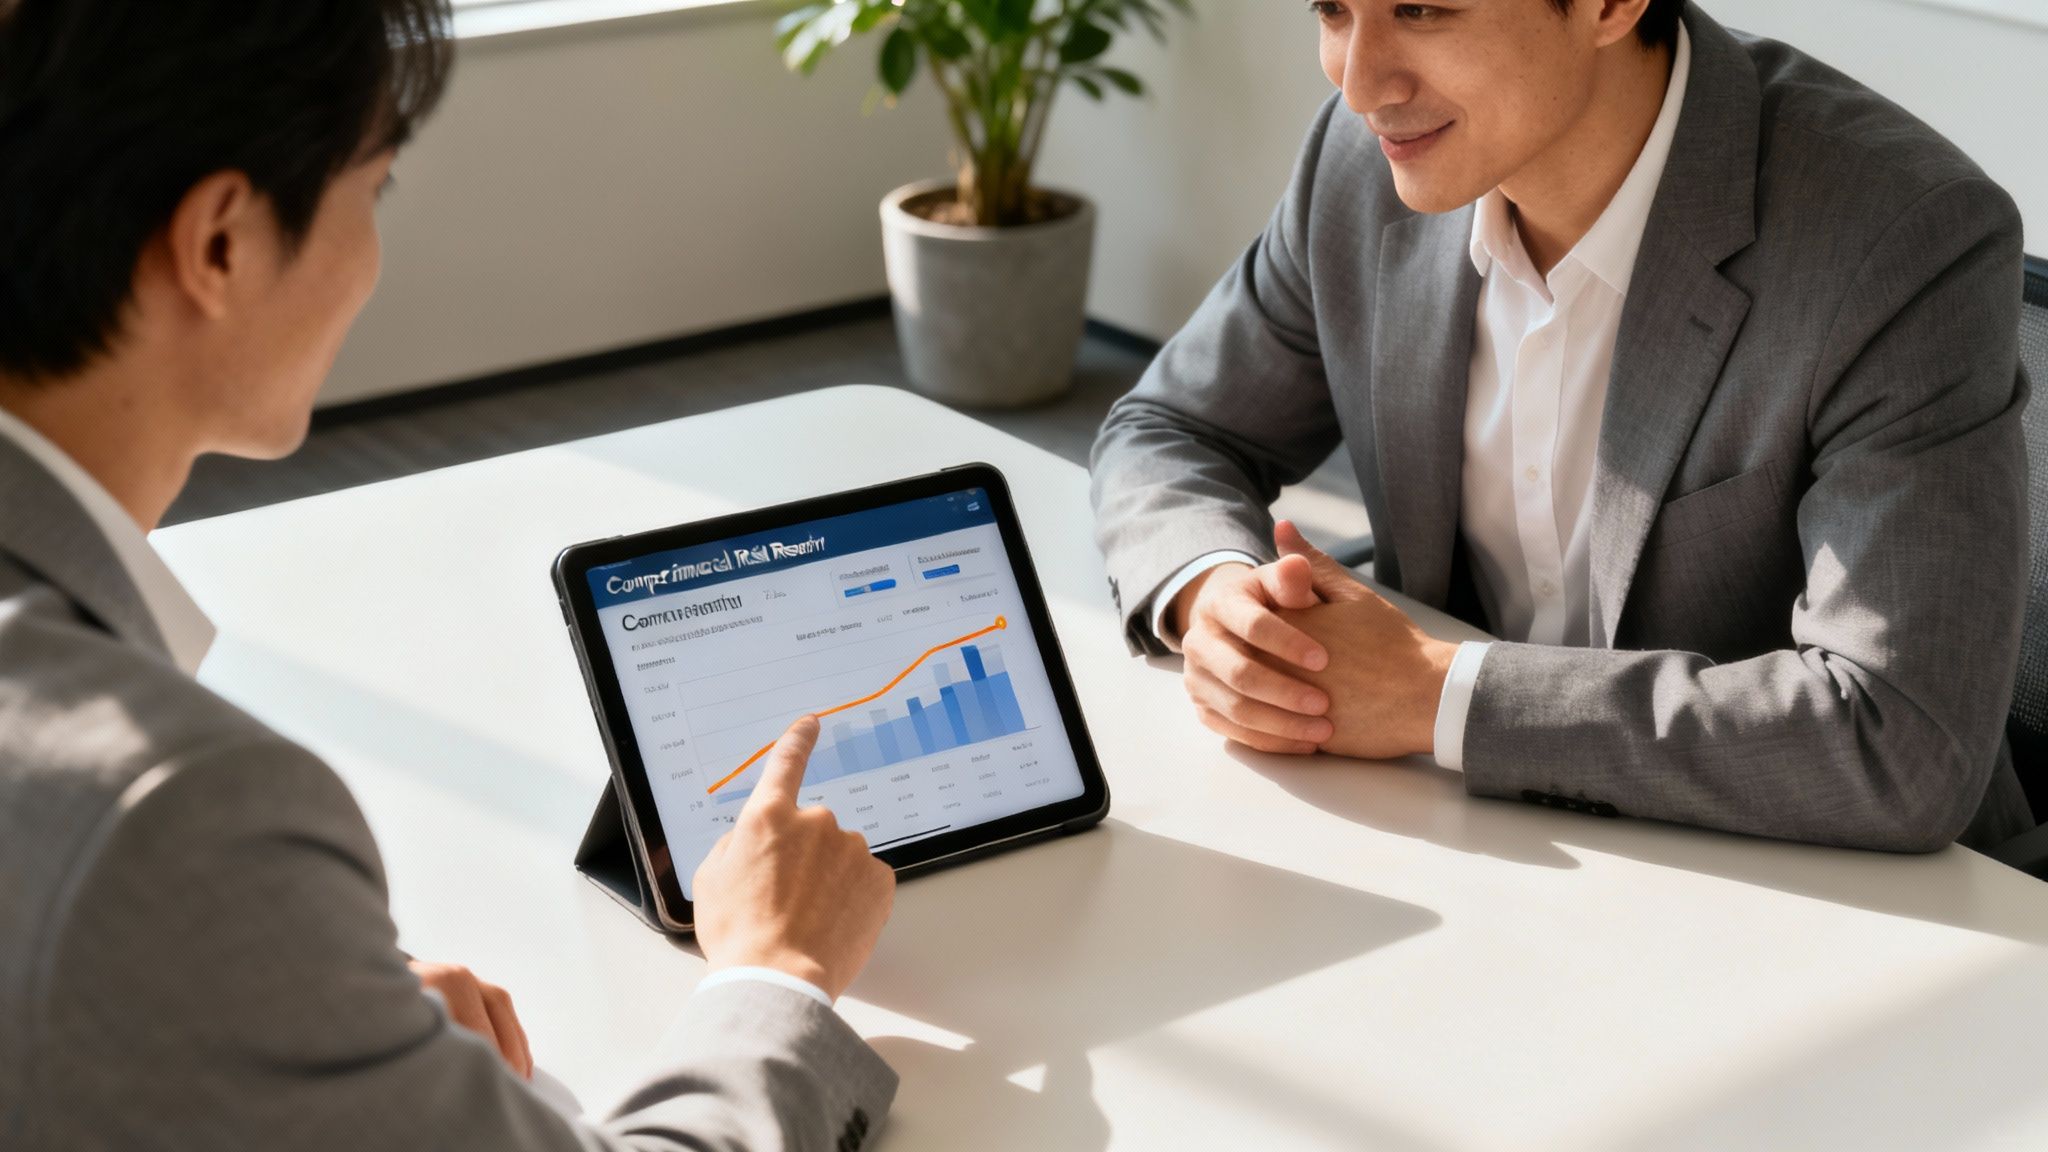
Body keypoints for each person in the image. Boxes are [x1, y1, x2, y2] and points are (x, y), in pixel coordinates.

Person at [0, 2, 898, 1149]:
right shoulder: (172, 813)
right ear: (220, 241)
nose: (375, 252)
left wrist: (294, 1004)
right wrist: (777, 978)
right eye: (371, 191)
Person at [1089, 0, 2036, 852]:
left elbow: (1899, 741)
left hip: (1827, 895)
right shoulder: (1362, 164)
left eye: (1421, 10)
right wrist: (1214, 592)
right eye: (1333, 9)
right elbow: (1172, 426)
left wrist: (1437, 693)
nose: (1361, 82)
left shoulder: (1901, 236)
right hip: (1469, 843)